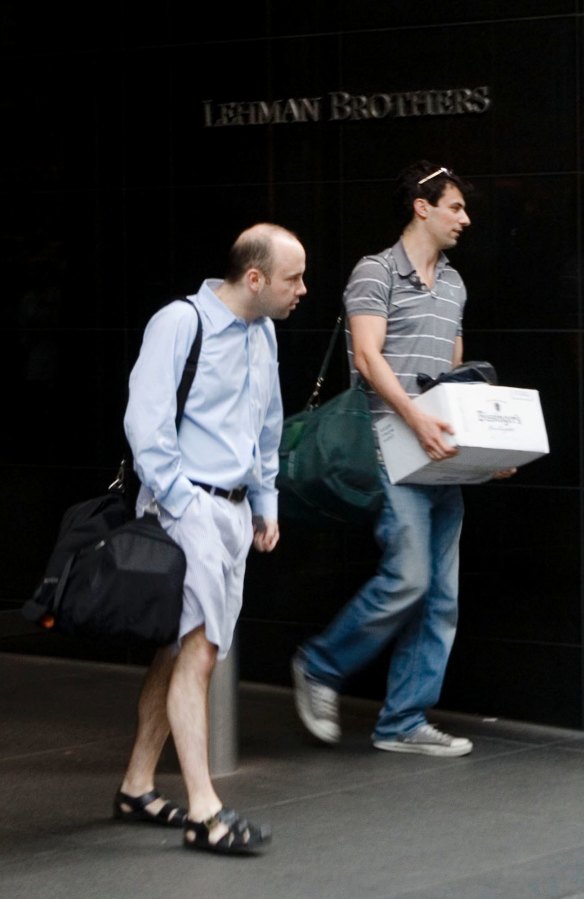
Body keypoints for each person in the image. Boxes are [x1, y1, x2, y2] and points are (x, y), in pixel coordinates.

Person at [292, 161, 514, 758]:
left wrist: (486, 449)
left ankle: (402, 722)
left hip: (442, 454)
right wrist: (415, 416)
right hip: (392, 445)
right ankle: (319, 665)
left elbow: (453, 376)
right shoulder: (376, 271)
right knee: (410, 577)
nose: (465, 218)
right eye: (455, 207)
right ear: (423, 207)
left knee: (441, 596)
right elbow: (367, 358)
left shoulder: (455, 285)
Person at [115, 222, 307, 854]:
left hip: (232, 513)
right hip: (188, 505)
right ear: (254, 278)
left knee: (179, 653)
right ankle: (205, 811)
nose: (302, 289)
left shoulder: (264, 332)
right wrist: (181, 504)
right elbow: (145, 423)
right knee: (200, 651)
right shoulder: (179, 322)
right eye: (292, 278)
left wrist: (264, 497)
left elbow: (268, 423)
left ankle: (138, 785)